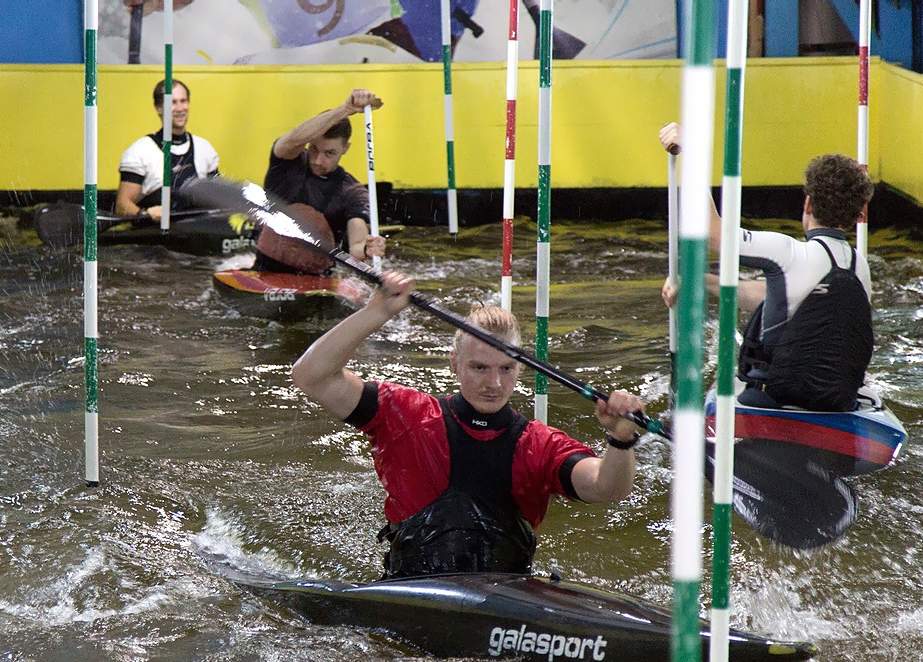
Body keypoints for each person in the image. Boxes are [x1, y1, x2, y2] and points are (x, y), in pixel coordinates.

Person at [291, 271, 645, 579]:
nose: (494, 383)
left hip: (506, 597)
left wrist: (620, 439)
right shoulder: (407, 415)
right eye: (480, 368)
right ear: (454, 363)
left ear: (520, 369)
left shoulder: (539, 444)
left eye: (506, 369)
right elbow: (311, 376)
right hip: (410, 586)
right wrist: (376, 312)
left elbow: (606, 487)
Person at [659, 122, 875, 412]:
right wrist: (701, 282)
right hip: (837, 403)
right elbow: (787, 300)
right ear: (858, 212)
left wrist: (693, 154)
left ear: (808, 204)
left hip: (773, 400)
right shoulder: (859, 267)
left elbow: (711, 234)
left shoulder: (788, 252)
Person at [253, 88, 386, 273]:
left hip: (317, 278)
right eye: (314, 149)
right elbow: (293, 138)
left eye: (329, 153)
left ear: (345, 148)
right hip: (266, 269)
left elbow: (356, 245)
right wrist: (346, 109)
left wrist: (367, 248)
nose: (318, 160)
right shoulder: (287, 162)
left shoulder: (352, 192)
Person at [115, 78, 219, 221]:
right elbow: (122, 206)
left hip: (197, 236)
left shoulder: (205, 149)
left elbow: (219, 199)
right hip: (155, 237)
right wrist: (146, 215)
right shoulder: (140, 151)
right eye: (172, 102)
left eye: (183, 101)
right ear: (158, 108)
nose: (180, 108)